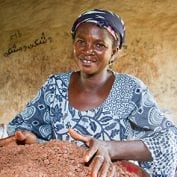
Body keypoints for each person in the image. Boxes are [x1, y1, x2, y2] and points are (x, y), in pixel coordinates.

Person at [0, 8, 177, 177]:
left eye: (99, 45)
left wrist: (110, 148)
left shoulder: (128, 88)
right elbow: (25, 129)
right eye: (81, 42)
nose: (88, 50)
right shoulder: (55, 86)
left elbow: (169, 139)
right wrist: (30, 140)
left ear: (114, 51)